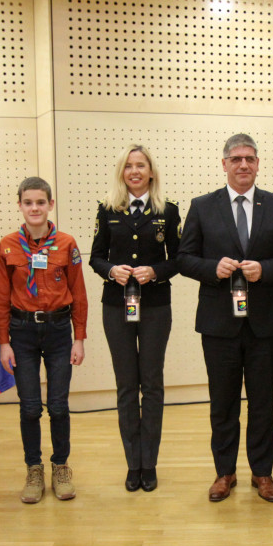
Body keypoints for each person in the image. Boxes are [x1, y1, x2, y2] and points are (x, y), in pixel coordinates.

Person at [177, 133, 273, 503]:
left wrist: (263, 269)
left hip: (265, 323)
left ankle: (262, 474)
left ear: (258, 163)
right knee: (223, 401)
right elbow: (184, 258)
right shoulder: (202, 206)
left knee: (263, 401)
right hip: (218, 323)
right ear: (224, 164)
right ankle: (225, 472)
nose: (243, 165)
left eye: (249, 158)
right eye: (236, 159)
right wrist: (212, 268)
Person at [89, 145, 181, 492]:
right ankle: (133, 463)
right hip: (116, 306)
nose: (135, 171)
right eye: (128, 166)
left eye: (141, 165)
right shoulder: (108, 209)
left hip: (156, 306)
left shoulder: (167, 211)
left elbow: (179, 259)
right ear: (122, 172)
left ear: (151, 172)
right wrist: (112, 270)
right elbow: (96, 257)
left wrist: (154, 272)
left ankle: (150, 462)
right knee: (127, 386)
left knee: (152, 385)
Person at [0, 177, 87, 504]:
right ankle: (33, 468)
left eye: (40, 202)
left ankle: (60, 466)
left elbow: (78, 292)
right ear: (19, 205)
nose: (34, 208)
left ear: (50, 204)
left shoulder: (66, 243)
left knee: (59, 405)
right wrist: (3, 341)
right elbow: (1, 297)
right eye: (28, 202)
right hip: (22, 333)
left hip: (60, 331)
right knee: (31, 406)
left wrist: (80, 337)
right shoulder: (8, 245)